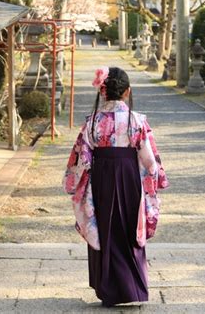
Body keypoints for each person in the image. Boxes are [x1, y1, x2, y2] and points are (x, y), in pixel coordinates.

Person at [63, 67, 169, 307]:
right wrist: (155, 177)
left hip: (101, 179)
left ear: (103, 92)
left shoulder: (92, 122)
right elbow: (149, 160)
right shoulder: (137, 120)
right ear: (127, 91)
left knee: (104, 228)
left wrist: (76, 182)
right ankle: (133, 289)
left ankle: (108, 289)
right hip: (129, 176)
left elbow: (82, 158)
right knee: (130, 226)